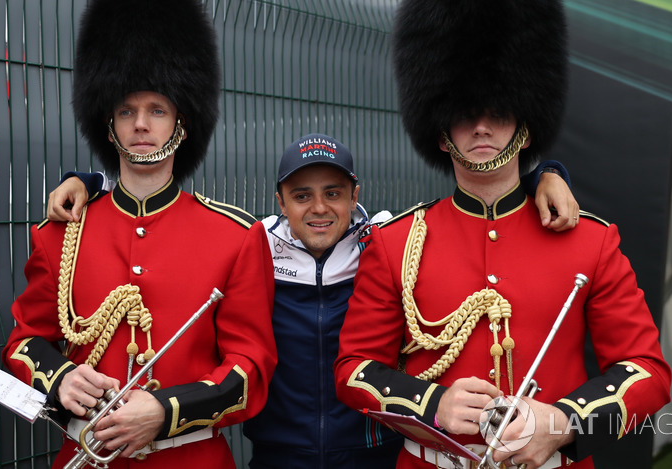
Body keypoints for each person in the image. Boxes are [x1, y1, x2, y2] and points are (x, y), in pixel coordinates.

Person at [47, 130, 578, 468]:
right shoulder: (252, 246)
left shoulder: (388, 244)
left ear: (356, 194)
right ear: (278, 200)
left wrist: (545, 175)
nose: (318, 208)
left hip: (373, 451)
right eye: (301, 195)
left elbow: (481, 204)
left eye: (333, 193)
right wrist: (90, 180)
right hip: (279, 455)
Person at [333, 0, 671, 469]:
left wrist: (563, 422)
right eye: (464, 112)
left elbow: (647, 371)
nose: (482, 126)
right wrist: (434, 403)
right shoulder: (395, 243)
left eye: (499, 109)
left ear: (526, 120)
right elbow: (354, 369)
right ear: (441, 130)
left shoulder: (592, 240)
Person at [2, 0, 277, 468]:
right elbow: (25, 342)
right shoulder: (61, 234)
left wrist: (166, 410)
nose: (142, 124)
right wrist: (60, 378)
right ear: (108, 122)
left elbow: (250, 368)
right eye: (127, 111)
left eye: (157, 109)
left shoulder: (235, 237)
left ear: (182, 121)